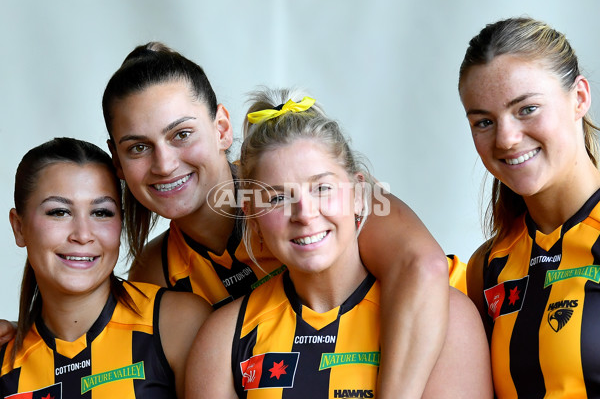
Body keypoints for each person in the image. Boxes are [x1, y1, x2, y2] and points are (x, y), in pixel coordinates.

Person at [100, 42, 455, 397]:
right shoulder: (156, 270)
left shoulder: (334, 204)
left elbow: (424, 267)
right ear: (117, 161)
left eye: (182, 134)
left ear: (222, 128)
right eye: (138, 148)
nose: (164, 164)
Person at [185, 88, 492, 398]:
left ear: (359, 194)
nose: (304, 214)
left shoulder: (448, 317)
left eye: (322, 188)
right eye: (279, 198)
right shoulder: (224, 338)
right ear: (252, 215)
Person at [0, 138, 211, 398]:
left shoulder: (178, 324)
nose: (83, 234)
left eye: (101, 212)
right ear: (19, 228)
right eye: (58, 212)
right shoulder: (5, 360)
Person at [459, 17, 600, 398]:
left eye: (527, 109)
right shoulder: (487, 267)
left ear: (580, 98)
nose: (506, 139)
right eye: (484, 121)